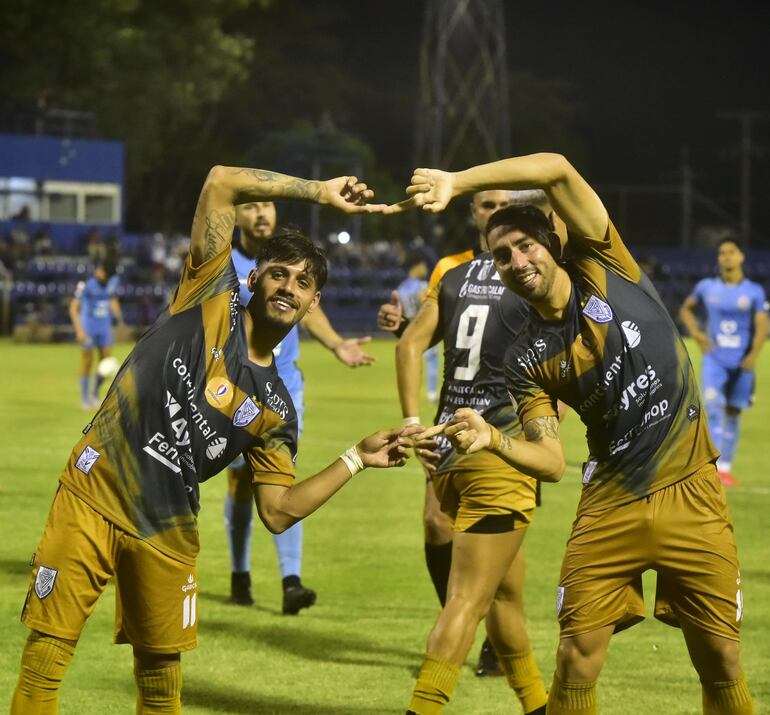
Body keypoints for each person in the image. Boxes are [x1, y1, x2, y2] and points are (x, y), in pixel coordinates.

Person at [11, 167, 415, 714]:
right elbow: (221, 182)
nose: (287, 288)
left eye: (302, 284)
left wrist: (356, 459)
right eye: (278, 274)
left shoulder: (277, 411)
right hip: (93, 494)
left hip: (167, 531)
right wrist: (318, 192)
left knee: (160, 688)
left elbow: (277, 510)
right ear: (254, 279)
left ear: (313, 304)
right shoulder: (208, 293)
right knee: (45, 663)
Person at [396, 153, 754, 714]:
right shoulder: (526, 358)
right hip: (610, 506)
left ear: (554, 243)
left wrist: (456, 181)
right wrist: (495, 440)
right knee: (574, 661)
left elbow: (557, 169)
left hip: (693, 492)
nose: (515, 261)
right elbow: (550, 459)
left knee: (720, 659)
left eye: (525, 245)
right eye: (501, 255)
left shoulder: (603, 263)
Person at [397, 191, 551, 715]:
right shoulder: (532, 278)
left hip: (447, 449)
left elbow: (407, 344)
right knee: (467, 600)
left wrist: (415, 425)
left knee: (506, 598)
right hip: (497, 450)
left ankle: (537, 706)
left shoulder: (456, 276)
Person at [378, 189, 512, 678]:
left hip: (504, 423)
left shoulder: (529, 266)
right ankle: (458, 620)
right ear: (473, 212)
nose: (495, 211)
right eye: (486, 204)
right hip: (450, 418)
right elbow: (441, 336)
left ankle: (486, 638)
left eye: (504, 203)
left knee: (493, 542)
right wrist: (404, 329)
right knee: (437, 525)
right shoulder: (452, 271)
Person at [226, 200, 375, 613]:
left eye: (267, 206)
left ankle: (291, 579)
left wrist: (336, 343)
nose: (260, 214)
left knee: (280, 479)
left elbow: (311, 313)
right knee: (239, 485)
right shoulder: (229, 264)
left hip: (283, 387)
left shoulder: (293, 267)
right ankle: (240, 573)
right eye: (251, 206)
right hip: (232, 387)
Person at [678, 238, 768, 486]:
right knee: (714, 409)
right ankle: (713, 468)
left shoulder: (754, 291)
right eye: (721, 253)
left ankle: (725, 467)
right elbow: (686, 309)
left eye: (731, 252)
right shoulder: (707, 287)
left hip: (742, 362)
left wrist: (752, 355)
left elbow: (762, 326)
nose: (726, 257)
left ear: (741, 257)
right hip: (715, 360)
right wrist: (697, 334)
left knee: (733, 412)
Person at [68, 260, 124, 409]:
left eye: (102, 270)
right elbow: (73, 308)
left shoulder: (112, 283)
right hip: (88, 328)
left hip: (104, 328)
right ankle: (85, 399)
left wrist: (119, 320)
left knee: (106, 363)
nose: (98, 272)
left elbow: (113, 299)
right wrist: (79, 330)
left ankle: (95, 394)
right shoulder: (86, 284)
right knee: (87, 361)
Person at [393, 251, 440, 401]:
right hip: (423, 327)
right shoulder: (422, 285)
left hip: (407, 327)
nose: (425, 268)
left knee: (411, 361)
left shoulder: (401, 287)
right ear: (417, 266)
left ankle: (410, 393)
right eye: (423, 265)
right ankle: (432, 393)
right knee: (432, 362)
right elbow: (426, 303)